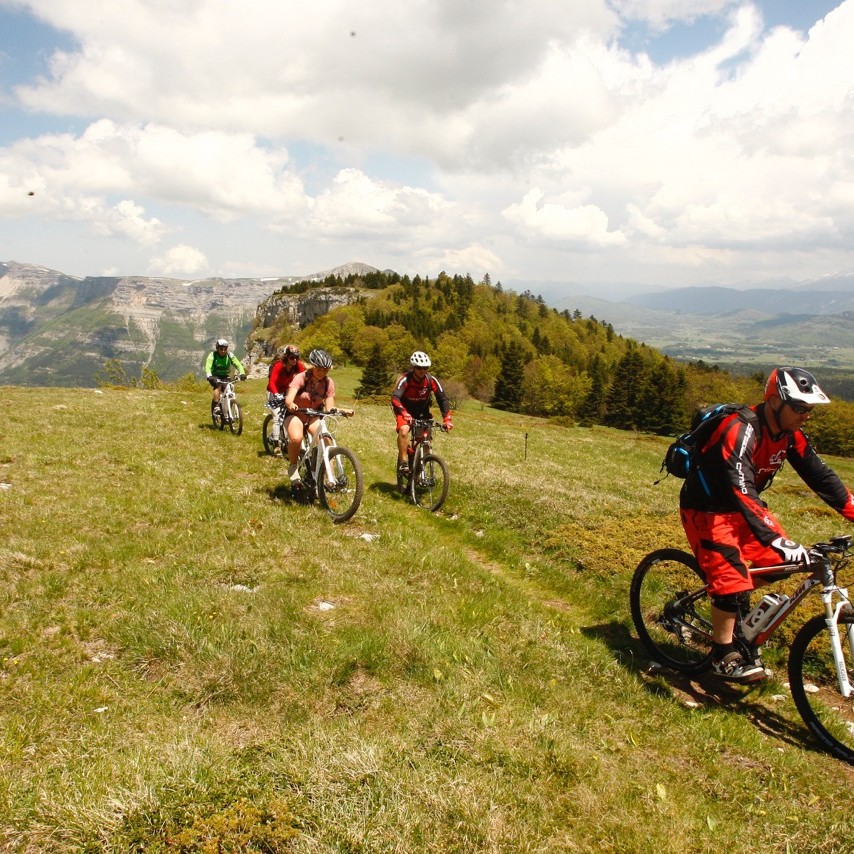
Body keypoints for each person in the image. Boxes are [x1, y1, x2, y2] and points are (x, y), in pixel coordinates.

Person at [679, 367, 854, 682]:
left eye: (809, 409)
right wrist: (776, 538)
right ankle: (722, 654)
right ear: (774, 402)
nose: (806, 415)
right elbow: (739, 484)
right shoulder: (739, 429)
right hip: (708, 510)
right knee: (731, 579)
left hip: (744, 509)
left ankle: (732, 604)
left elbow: (821, 477)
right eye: (799, 408)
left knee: (779, 565)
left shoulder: (790, 436)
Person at [284, 348, 352, 487]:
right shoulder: (301, 377)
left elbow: (329, 408)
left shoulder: (328, 383)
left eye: (325, 370)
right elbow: (289, 398)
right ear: (313, 366)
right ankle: (293, 466)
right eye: (319, 369)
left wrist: (341, 410)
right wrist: (290, 404)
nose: (322, 373)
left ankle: (329, 478)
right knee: (296, 438)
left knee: (327, 441)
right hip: (296, 414)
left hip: (313, 415)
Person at [391, 351, 453, 477]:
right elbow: (395, 397)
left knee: (426, 442)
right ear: (413, 367)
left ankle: (420, 472)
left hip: (422, 413)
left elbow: (442, 399)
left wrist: (447, 419)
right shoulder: (405, 379)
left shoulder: (431, 380)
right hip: (404, 411)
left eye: (425, 368)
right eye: (419, 368)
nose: (422, 371)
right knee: (403, 431)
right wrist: (404, 413)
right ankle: (403, 462)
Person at [266, 345, 305, 451]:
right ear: (286, 357)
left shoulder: (298, 365)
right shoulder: (279, 365)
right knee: (277, 417)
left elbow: (305, 376)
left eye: (296, 357)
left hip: (287, 390)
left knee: (292, 413)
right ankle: (276, 444)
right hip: (274, 391)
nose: (294, 360)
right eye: (292, 357)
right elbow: (272, 382)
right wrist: (276, 394)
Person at [205, 338, 246, 414]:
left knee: (229, 388)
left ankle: (228, 406)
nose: (223, 351)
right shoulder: (213, 355)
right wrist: (209, 375)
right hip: (215, 376)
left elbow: (238, 364)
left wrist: (242, 373)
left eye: (225, 349)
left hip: (225, 376)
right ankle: (216, 406)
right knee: (218, 386)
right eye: (221, 349)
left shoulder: (230, 355)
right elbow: (208, 366)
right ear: (217, 349)